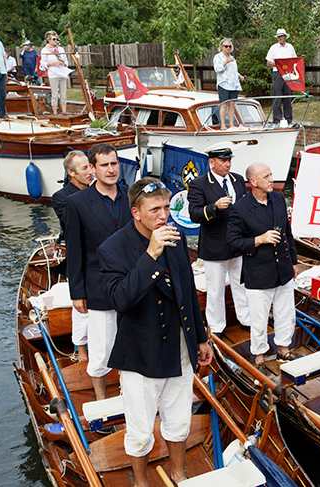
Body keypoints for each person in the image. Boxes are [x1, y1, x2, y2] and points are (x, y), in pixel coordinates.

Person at [98, 177, 212, 487]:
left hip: (180, 347)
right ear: (135, 212)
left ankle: (178, 472)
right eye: (154, 210)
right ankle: (141, 481)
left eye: (166, 208)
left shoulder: (174, 239)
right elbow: (120, 299)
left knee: (178, 419)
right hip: (141, 352)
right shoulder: (112, 249)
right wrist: (150, 255)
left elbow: (187, 290)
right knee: (140, 428)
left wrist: (200, 337)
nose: (163, 216)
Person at [65, 143, 132, 400]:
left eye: (114, 163)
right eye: (104, 165)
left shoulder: (131, 197)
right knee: (101, 349)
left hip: (132, 285)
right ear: (92, 168)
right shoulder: (77, 203)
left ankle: (131, 394)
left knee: (133, 343)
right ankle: (101, 399)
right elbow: (75, 251)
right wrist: (77, 293)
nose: (111, 169)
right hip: (99, 288)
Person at [227, 163, 298, 367]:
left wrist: (293, 262)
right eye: (266, 176)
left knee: (286, 313)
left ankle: (283, 350)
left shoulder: (278, 198)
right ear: (253, 182)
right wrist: (259, 239)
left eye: (271, 174)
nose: (271, 179)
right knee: (258, 319)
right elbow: (232, 243)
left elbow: (287, 233)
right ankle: (259, 356)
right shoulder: (239, 209)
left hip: (283, 270)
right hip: (258, 274)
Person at [187, 145, 250, 337]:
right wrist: (214, 207)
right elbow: (194, 215)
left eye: (229, 160)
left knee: (242, 285)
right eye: (223, 161)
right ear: (211, 162)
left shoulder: (238, 179)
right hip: (214, 246)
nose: (227, 164)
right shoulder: (199, 184)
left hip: (237, 243)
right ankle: (216, 327)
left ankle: (246, 319)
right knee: (215, 290)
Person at [51, 151, 94, 363]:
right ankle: (82, 350)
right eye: (85, 168)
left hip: (102, 255)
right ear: (71, 173)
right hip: (80, 257)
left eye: (90, 166)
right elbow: (72, 226)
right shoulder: (61, 198)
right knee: (82, 309)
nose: (91, 171)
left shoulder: (98, 190)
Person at [266, 28, 296, 126]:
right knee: (277, 97)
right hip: (277, 74)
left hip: (288, 74)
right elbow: (268, 62)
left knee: (288, 96)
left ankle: (289, 120)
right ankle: (277, 120)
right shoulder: (273, 48)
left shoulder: (290, 47)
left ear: (285, 37)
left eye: (281, 36)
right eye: (278, 36)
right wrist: (278, 65)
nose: (280, 38)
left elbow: (294, 60)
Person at [213, 38, 245, 130]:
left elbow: (234, 70)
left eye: (229, 46)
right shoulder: (218, 57)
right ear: (221, 47)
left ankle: (231, 124)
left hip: (233, 84)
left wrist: (239, 76)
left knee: (232, 104)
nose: (228, 48)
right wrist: (226, 62)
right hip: (224, 84)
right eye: (226, 46)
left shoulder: (232, 58)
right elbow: (217, 69)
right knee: (224, 104)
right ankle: (223, 124)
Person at [40, 30, 69, 115]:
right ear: (48, 40)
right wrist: (53, 63)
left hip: (62, 73)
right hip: (53, 74)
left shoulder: (60, 49)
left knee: (63, 94)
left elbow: (66, 60)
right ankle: (55, 113)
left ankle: (64, 112)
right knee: (55, 94)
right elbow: (43, 63)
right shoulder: (45, 50)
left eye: (56, 39)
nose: (55, 40)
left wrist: (64, 64)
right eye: (53, 39)